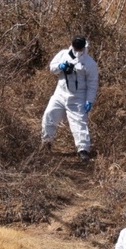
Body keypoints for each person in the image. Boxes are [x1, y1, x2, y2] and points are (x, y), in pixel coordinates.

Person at [41, 34, 99, 162]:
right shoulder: (63, 54)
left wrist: (89, 100)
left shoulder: (89, 63)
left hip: (78, 97)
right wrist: (61, 67)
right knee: (49, 115)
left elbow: (92, 83)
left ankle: (83, 150)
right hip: (60, 93)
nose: (78, 50)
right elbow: (52, 67)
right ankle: (46, 142)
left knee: (79, 123)